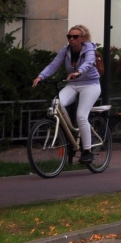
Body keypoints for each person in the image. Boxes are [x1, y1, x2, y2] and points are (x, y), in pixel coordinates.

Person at [33, 25, 101, 164]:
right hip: (73, 84)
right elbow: (54, 65)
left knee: (81, 115)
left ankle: (87, 151)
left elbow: (89, 62)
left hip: (90, 84)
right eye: (69, 36)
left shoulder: (89, 49)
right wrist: (41, 77)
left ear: (82, 38)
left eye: (75, 37)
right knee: (56, 104)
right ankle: (73, 131)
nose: (71, 39)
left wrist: (79, 71)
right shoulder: (66, 50)